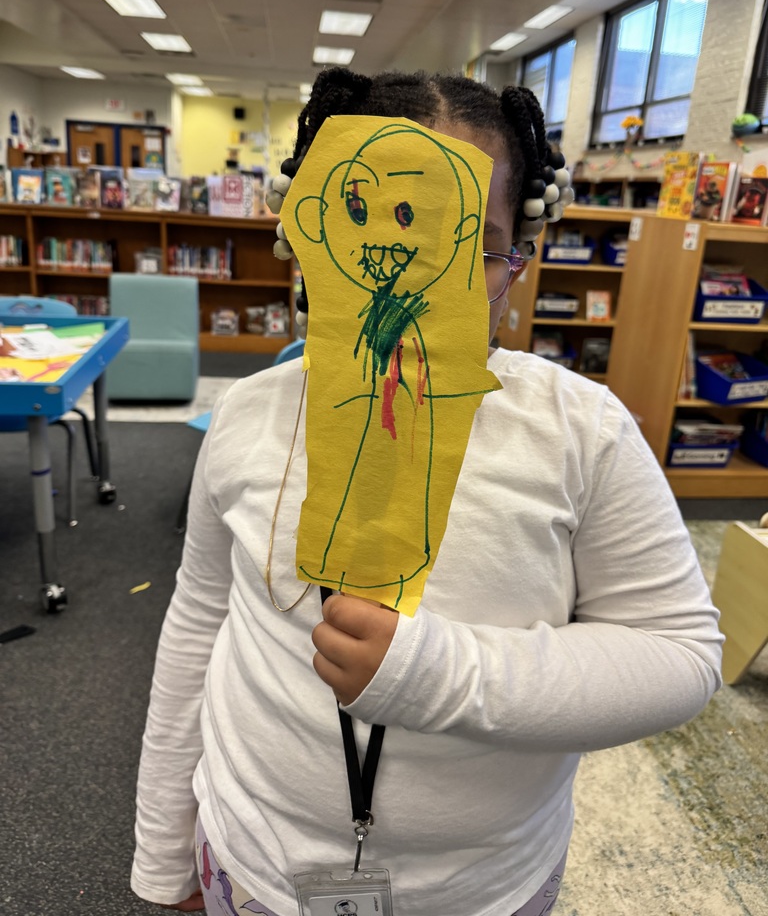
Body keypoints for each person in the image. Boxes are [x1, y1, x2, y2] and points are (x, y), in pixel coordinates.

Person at [131, 68, 723, 916]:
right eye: (367, 218)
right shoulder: (249, 417)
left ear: (515, 260)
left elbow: (679, 655)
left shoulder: (580, 432)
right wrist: (164, 851)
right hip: (253, 859)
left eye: (466, 243)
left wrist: (435, 673)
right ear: (308, 232)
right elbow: (199, 623)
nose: (408, 272)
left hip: (482, 887)